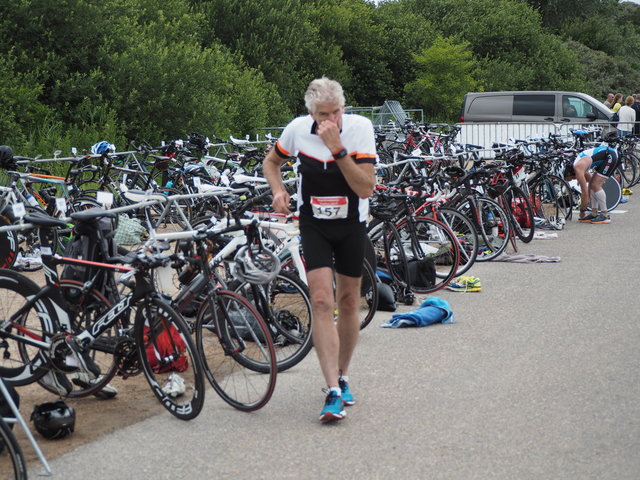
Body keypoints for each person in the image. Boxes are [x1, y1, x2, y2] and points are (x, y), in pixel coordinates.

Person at [263, 76, 376, 423]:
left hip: (351, 224)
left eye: (335, 112)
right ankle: (332, 390)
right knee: (322, 301)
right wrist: (278, 190)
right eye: (322, 114)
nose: (329, 121)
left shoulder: (359, 128)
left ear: (344, 108)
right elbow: (271, 162)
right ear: (310, 112)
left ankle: (343, 374)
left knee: (348, 301)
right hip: (313, 224)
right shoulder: (298, 129)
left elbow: (366, 188)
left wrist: (338, 149)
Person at [564, 145, 619, 224]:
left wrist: (582, 210)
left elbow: (584, 192)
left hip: (609, 155)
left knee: (596, 185)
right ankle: (594, 213)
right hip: (607, 155)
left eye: (572, 178)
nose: (575, 180)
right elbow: (589, 186)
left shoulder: (578, 168)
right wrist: (585, 204)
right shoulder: (579, 166)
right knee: (593, 184)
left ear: (569, 173)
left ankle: (605, 215)